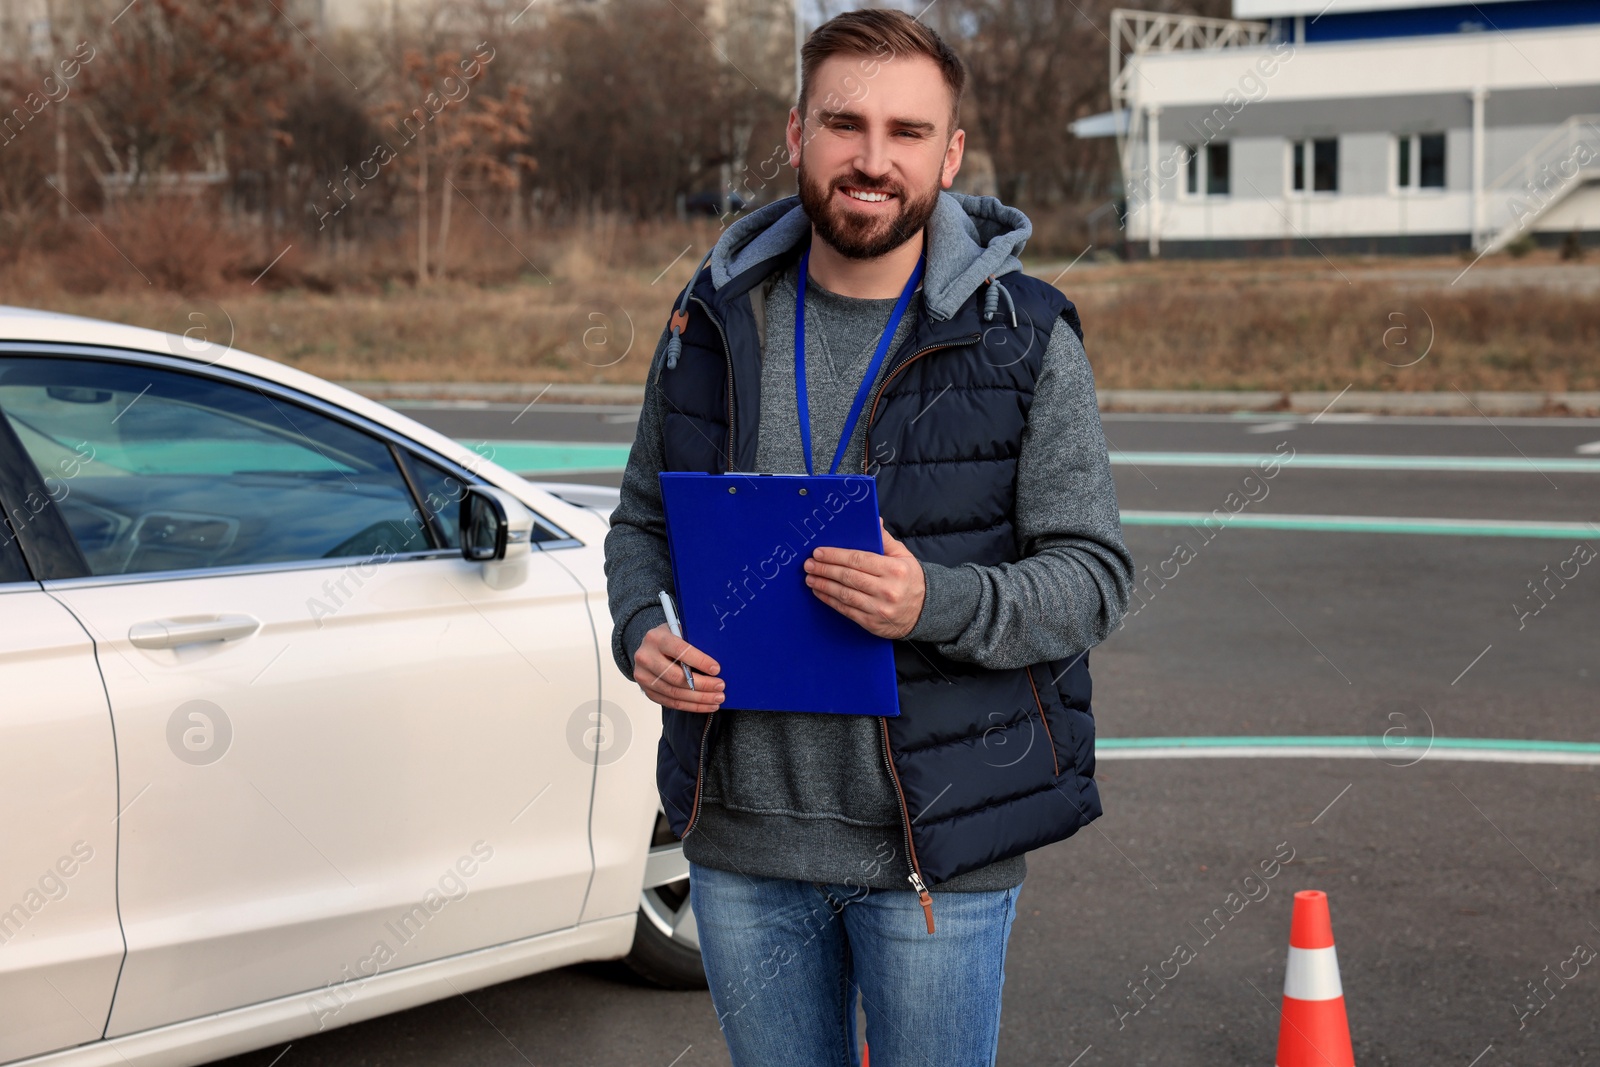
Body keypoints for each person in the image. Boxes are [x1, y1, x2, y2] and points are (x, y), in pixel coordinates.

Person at [603, 9, 1135, 1065]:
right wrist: (638, 631)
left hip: (934, 848)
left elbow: (1093, 577)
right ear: (797, 133)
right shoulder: (711, 315)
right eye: (846, 124)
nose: (872, 159)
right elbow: (642, 523)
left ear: (950, 153)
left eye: (906, 131)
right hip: (742, 843)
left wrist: (930, 600)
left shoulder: (1024, 334)